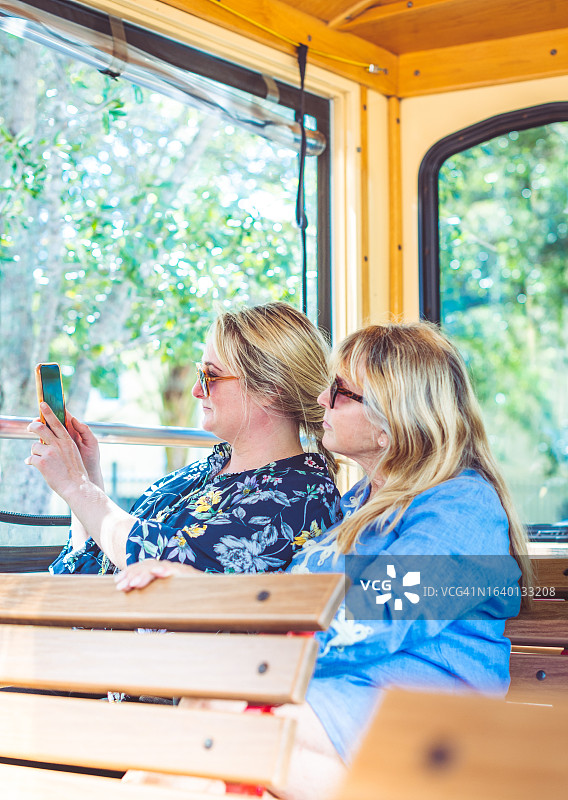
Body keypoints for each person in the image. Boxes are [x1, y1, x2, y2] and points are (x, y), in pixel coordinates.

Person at [114, 320, 531, 800]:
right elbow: (296, 598)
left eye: (339, 392)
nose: (319, 400)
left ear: (389, 419)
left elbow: (379, 612)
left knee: (218, 722)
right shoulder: (356, 505)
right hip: (341, 697)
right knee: (205, 718)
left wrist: (258, 655)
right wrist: (204, 588)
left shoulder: (461, 507)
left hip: (427, 722)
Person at [26, 302, 341, 576]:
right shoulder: (201, 473)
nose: (196, 390)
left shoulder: (299, 499)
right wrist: (85, 476)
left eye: (210, 375)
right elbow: (97, 558)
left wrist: (77, 486)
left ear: (270, 389)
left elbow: (161, 566)